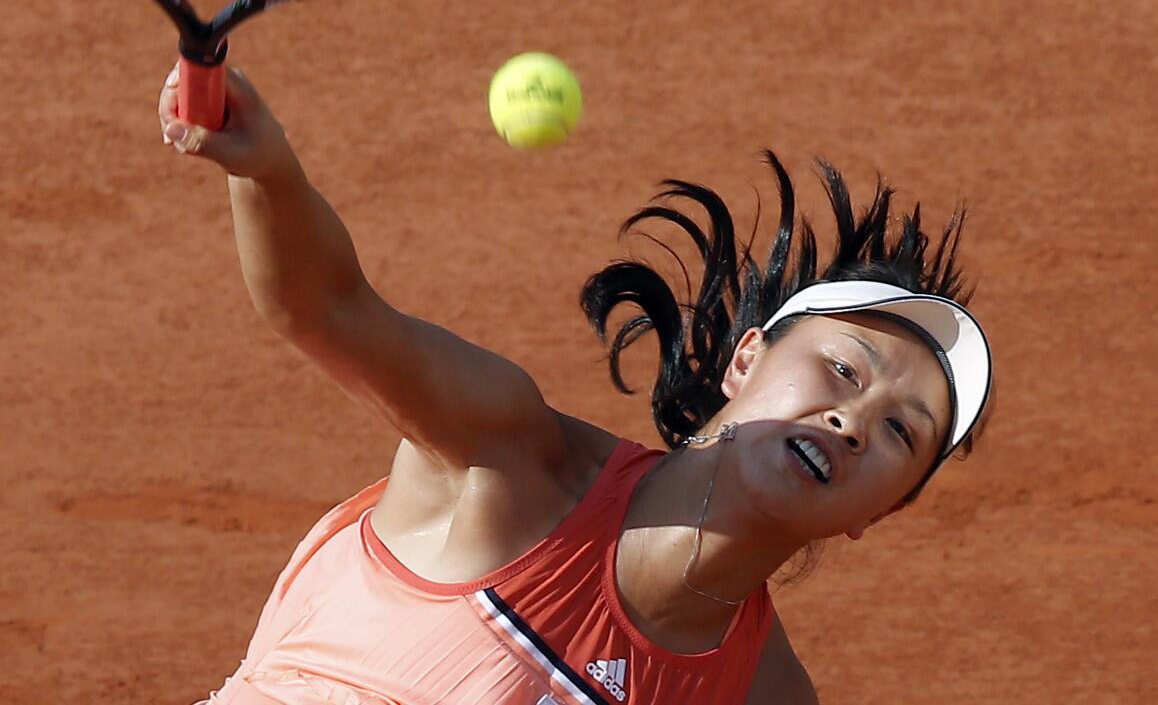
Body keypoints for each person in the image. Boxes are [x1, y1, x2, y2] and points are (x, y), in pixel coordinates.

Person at [159, 64, 993, 705]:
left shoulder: (759, 693)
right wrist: (264, 172)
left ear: (877, 515)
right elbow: (326, 310)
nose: (852, 419)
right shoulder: (511, 468)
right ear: (745, 360)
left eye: (899, 432)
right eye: (844, 368)